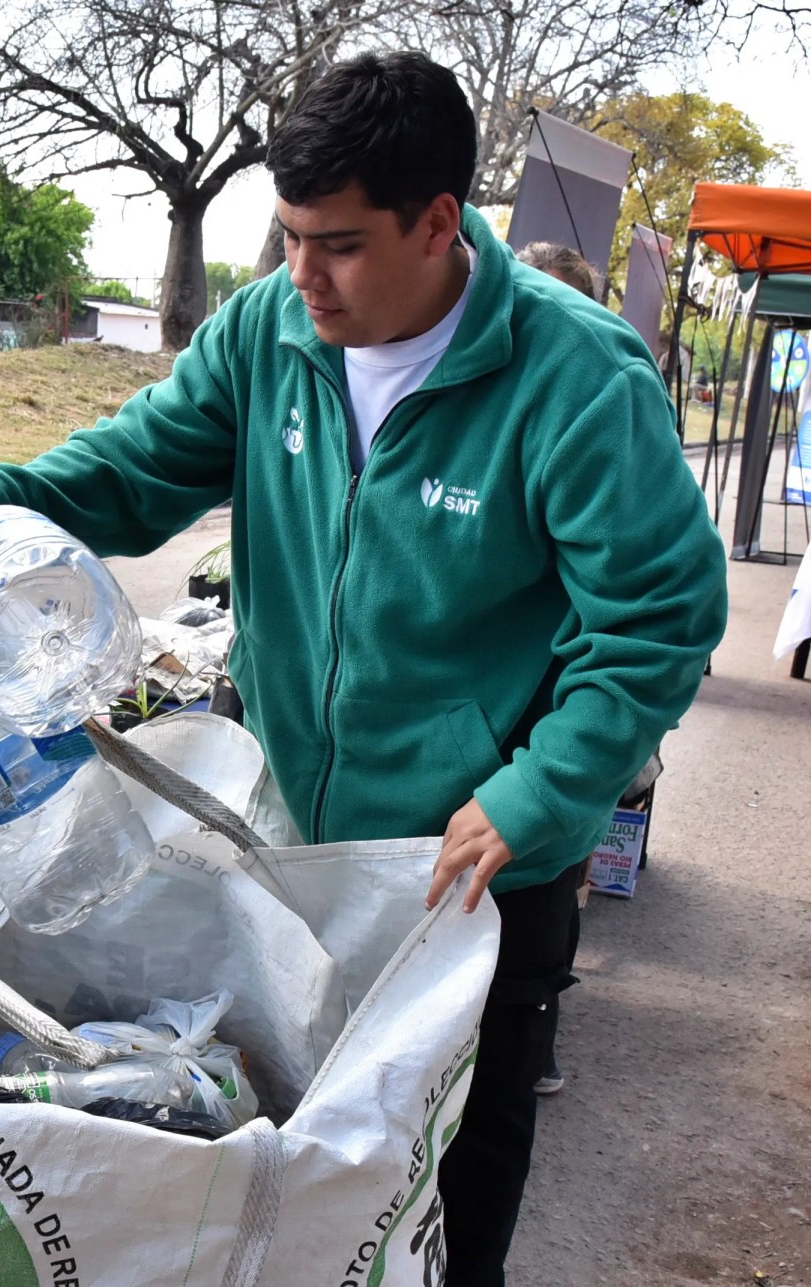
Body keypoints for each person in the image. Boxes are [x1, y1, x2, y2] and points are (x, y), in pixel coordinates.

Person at [0, 51, 725, 1286]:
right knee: (301, 1145)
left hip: (473, 865)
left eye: (341, 245)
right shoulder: (270, 329)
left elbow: (656, 617)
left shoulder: (576, 378)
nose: (304, 277)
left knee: (449, 1164)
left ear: (440, 223)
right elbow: (137, 462)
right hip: (290, 845)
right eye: (289, 238)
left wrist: (539, 795)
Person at [511, 240, 600, 1100]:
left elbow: (647, 625)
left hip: (537, 758)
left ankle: (537, 1035)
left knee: (546, 906)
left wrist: (538, 792)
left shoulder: (598, 384)